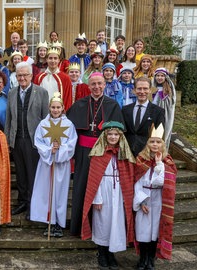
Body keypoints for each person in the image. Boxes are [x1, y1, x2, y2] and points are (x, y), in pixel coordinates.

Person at [66, 72, 124, 237]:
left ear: (105, 85)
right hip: (83, 152)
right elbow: (68, 127)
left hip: (103, 153)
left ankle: (100, 229)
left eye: (100, 84)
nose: (97, 87)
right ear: (89, 86)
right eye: (93, 84)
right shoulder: (79, 104)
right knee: (81, 187)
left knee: (101, 190)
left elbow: (118, 132)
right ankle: (78, 227)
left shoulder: (112, 105)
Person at [81, 121, 136, 269]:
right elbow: (94, 179)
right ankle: (102, 253)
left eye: (115, 134)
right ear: (105, 136)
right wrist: (97, 198)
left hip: (118, 193)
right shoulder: (98, 154)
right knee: (102, 223)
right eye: (110, 134)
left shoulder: (124, 154)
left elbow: (129, 176)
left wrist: (127, 196)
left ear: (120, 136)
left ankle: (112, 254)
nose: (112, 137)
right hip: (103, 192)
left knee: (115, 223)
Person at [5, 61, 49, 220]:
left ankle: (33, 205)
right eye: (19, 75)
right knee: (21, 174)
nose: (22, 78)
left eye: (25, 75)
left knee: (32, 175)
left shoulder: (42, 92)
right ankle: (22, 201)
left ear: (31, 75)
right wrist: (8, 140)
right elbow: (9, 119)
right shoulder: (11, 93)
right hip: (17, 140)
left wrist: (45, 142)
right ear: (16, 77)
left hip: (34, 142)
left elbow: (45, 119)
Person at [30, 92, 77, 237]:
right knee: (47, 193)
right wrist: (50, 150)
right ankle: (49, 222)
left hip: (61, 165)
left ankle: (59, 224)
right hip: (46, 164)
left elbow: (71, 144)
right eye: (53, 107)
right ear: (49, 108)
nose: (55, 110)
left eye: (58, 107)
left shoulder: (68, 125)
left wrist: (60, 151)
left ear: (63, 108)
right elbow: (38, 142)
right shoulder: (43, 124)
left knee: (60, 194)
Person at [133, 124, 177, 269]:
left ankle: (151, 260)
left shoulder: (167, 161)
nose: (155, 144)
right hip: (143, 198)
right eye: (152, 141)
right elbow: (136, 182)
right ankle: (142, 259)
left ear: (162, 144)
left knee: (154, 231)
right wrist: (141, 202)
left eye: (158, 142)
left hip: (158, 199)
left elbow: (162, 181)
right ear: (148, 143)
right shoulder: (140, 159)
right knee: (143, 230)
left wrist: (159, 164)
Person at [122, 77, 165, 156]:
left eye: (145, 89)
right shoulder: (125, 110)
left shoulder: (158, 111)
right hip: (127, 153)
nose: (142, 92)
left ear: (150, 90)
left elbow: (159, 136)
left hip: (147, 154)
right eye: (139, 89)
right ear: (134, 90)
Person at [152, 68, 176, 150]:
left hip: (164, 114)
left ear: (165, 77)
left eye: (162, 76)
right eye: (157, 75)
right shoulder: (152, 87)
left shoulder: (169, 88)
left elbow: (171, 102)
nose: (159, 77)